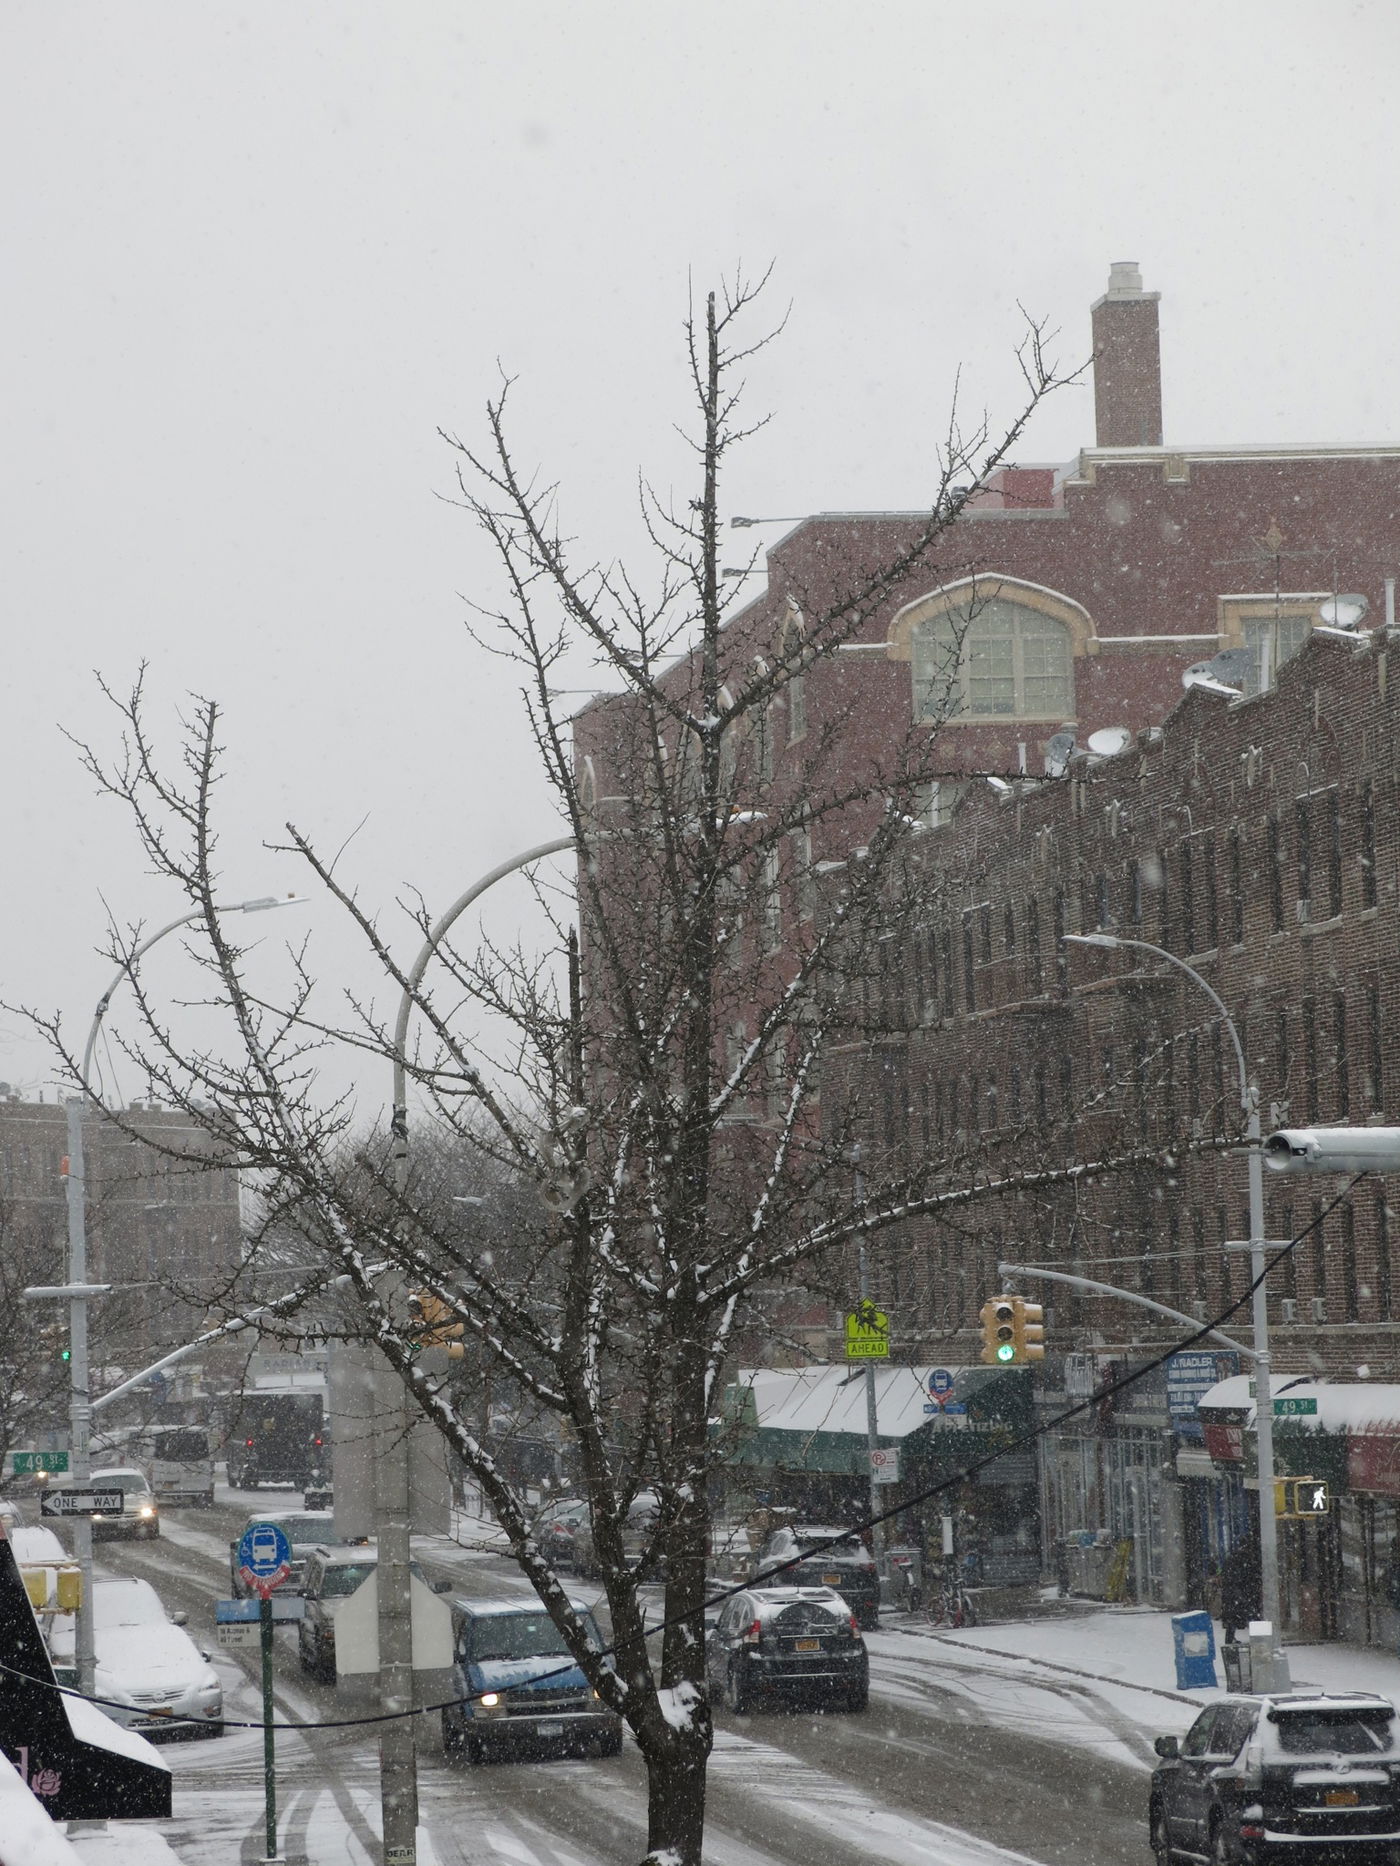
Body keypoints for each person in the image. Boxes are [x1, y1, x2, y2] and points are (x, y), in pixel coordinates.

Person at [1220, 1538, 1262, 1643]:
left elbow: (1227, 1576)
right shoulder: (1247, 1560)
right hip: (1243, 1594)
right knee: (1253, 1616)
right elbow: (1251, 1576)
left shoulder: (1232, 1559)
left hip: (1234, 1595)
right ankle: (1258, 1640)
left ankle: (1230, 1639)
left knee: (1233, 1619)